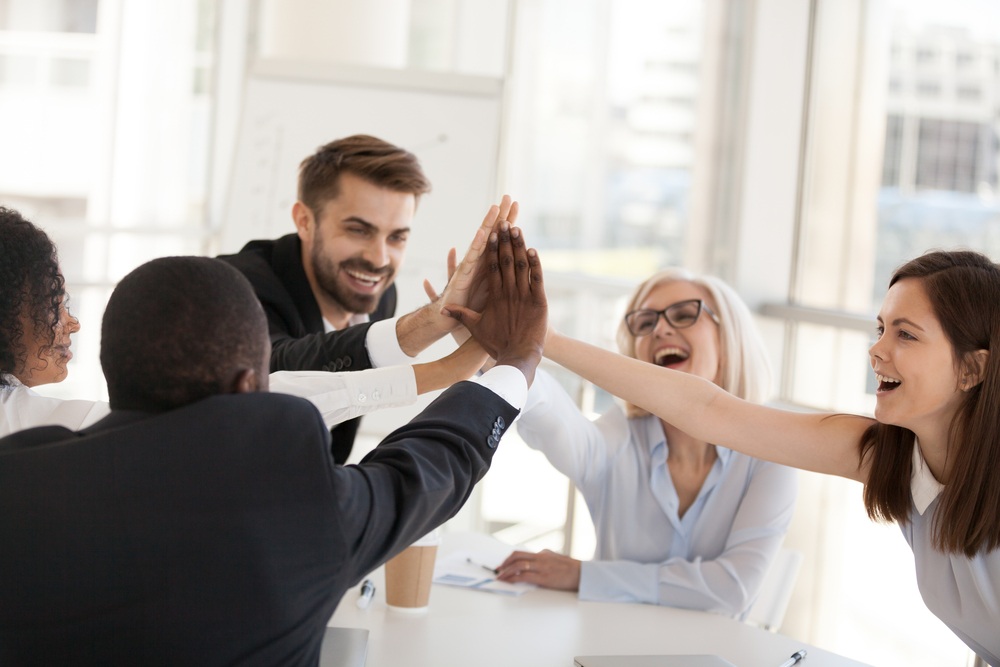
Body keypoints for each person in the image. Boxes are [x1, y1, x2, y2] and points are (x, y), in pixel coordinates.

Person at [0, 218, 546, 664]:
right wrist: (516, 363)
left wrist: (445, 366)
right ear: (248, 387)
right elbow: (429, 467)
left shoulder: (21, 480)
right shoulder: (297, 505)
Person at [538, 250, 1000, 664]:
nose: (876, 350)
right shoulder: (889, 458)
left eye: (906, 335)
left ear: (972, 368)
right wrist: (546, 341)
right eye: (881, 329)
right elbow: (705, 409)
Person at [0, 205, 486, 438]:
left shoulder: (24, 414)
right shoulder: (25, 428)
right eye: (52, 302)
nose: (71, 323)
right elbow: (232, 412)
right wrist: (449, 368)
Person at [490, 268, 797, 619]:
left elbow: (731, 591)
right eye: (645, 322)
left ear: (728, 342)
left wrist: (584, 575)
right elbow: (554, 419)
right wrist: (508, 362)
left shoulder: (769, 453)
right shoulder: (619, 435)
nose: (661, 329)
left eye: (684, 314)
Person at [219, 134, 505, 463]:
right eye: (359, 230)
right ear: (304, 221)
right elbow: (275, 374)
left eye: (397, 237)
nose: (380, 259)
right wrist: (429, 327)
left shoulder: (379, 295)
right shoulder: (233, 287)